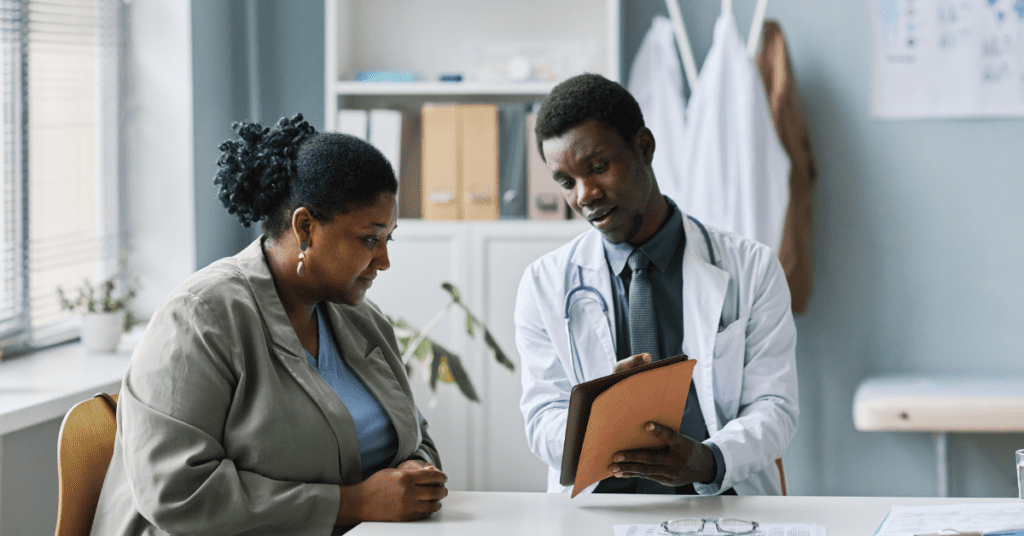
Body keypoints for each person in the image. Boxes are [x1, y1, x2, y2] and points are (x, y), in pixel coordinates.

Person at [91, 114, 447, 535]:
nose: (384, 261)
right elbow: (176, 491)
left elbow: (415, 433)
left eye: (389, 238)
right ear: (305, 228)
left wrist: (415, 473)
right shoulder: (200, 318)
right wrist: (352, 503)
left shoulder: (361, 319)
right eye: (370, 239)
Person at [515, 74, 798, 496]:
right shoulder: (545, 283)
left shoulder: (752, 268)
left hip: (719, 500)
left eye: (598, 167)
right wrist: (597, 416)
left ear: (644, 147)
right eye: (566, 182)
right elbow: (542, 417)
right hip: (603, 512)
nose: (585, 194)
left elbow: (774, 407)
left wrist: (708, 460)